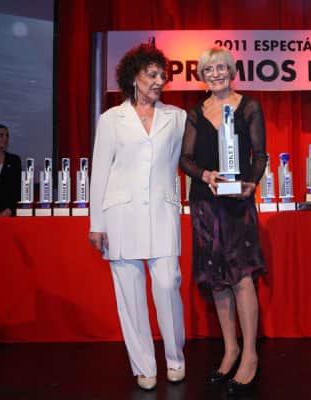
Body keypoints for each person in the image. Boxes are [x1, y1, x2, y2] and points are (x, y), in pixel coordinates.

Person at [88, 44, 186, 391]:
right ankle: (144, 366)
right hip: (121, 216)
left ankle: (175, 358)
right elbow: (100, 171)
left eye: (162, 75)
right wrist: (96, 223)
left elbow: (186, 160)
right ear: (133, 77)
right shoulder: (110, 119)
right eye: (152, 74)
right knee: (130, 296)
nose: (159, 81)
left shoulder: (177, 117)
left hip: (162, 213)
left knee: (167, 285)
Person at [180, 47, 267, 395]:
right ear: (202, 76)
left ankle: (250, 354)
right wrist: (205, 175)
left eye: (221, 68)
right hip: (205, 202)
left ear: (231, 72)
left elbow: (260, 155)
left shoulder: (249, 107)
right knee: (217, 280)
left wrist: (251, 184)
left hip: (237, 202)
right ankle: (230, 349)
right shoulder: (195, 113)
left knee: (242, 277)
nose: (215, 73)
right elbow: (185, 159)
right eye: (208, 69)